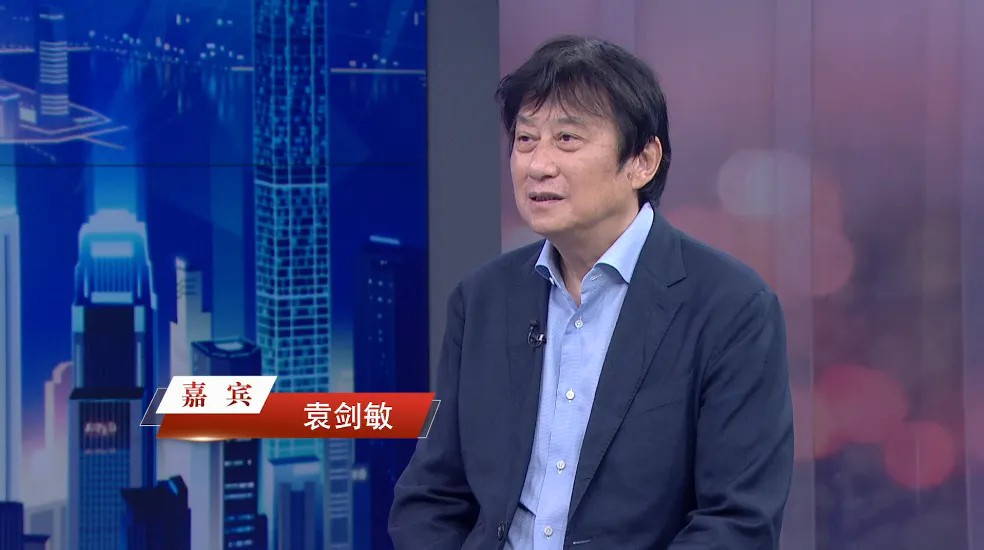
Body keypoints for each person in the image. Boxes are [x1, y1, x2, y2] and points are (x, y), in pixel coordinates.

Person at [389, 35, 794, 550]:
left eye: (567, 139)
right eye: (525, 139)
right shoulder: (482, 300)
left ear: (642, 161)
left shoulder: (731, 308)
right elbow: (431, 495)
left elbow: (737, 523)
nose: (537, 164)